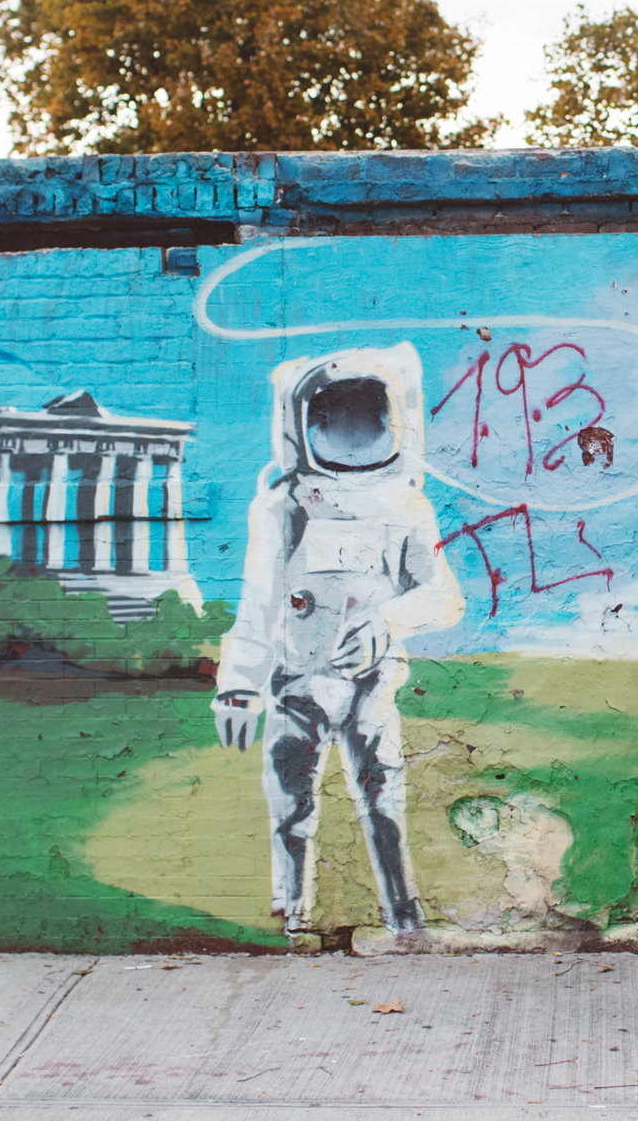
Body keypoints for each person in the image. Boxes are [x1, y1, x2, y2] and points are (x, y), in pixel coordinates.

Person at [210, 344, 465, 940]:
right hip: (295, 681)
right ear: (306, 424)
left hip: (370, 685)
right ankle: (290, 913)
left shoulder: (405, 505)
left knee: (384, 803)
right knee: (290, 808)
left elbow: (443, 596)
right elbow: (259, 602)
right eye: (336, 417)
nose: (353, 433)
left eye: (367, 417)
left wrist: (387, 622)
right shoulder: (283, 508)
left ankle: (404, 916)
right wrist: (239, 684)